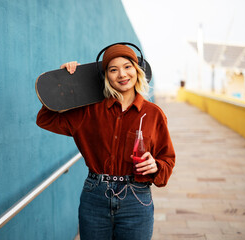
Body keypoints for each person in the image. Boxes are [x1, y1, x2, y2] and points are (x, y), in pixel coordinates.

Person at [36, 43, 175, 240]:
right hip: (95, 198)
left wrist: (155, 166)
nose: (122, 74)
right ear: (106, 77)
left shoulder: (154, 114)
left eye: (127, 67)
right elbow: (45, 120)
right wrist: (63, 87)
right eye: (113, 69)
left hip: (136, 199)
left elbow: (167, 160)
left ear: (137, 70)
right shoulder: (88, 111)